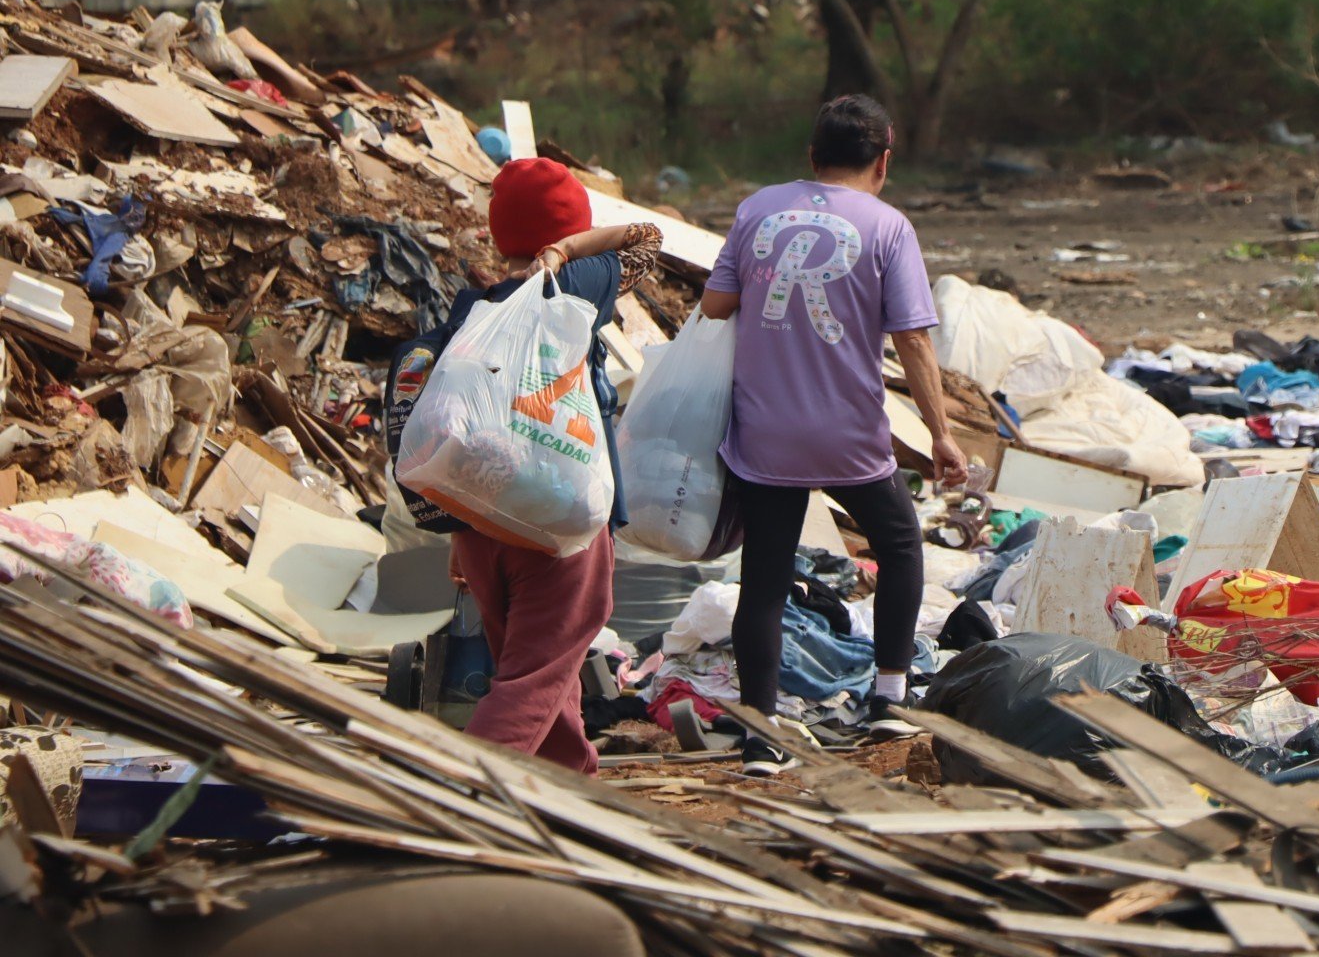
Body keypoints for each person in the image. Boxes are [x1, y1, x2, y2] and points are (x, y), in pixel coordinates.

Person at [699, 94, 967, 775]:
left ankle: (761, 736)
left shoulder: (757, 209)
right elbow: (912, 337)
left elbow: (715, 305)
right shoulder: (889, 227)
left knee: (763, 580)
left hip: (766, 433)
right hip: (848, 435)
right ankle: (888, 696)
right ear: (885, 160)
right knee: (901, 545)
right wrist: (941, 435)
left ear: (812, 158)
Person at [386, 157, 662, 774]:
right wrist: (566, 250)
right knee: (534, 676)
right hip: (559, 524)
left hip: (482, 526)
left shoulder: (475, 312)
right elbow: (646, 239)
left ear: (495, 234)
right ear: (566, 230)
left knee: (536, 665)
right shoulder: (576, 285)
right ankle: (461, 792)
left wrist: (460, 537)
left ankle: (570, 783)